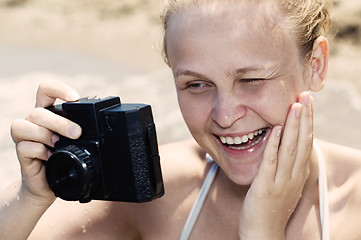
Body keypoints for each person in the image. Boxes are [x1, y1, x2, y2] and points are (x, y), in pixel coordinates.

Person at [1, 0, 361, 239]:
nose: (224, 115)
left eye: (251, 80)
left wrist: (262, 231)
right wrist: (29, 198)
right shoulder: (159, 192)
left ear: (316, 65)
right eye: (197, 84)